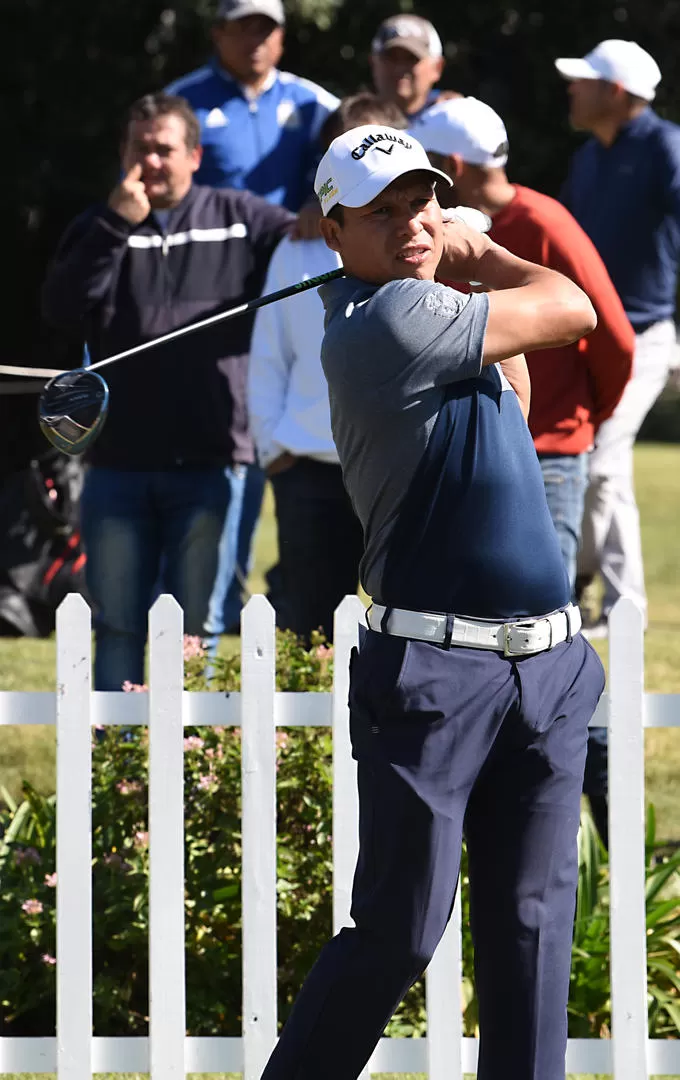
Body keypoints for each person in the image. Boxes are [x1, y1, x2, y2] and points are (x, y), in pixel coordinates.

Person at [258, 126, 605, 1080]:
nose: (413, 224)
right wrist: (479, 250)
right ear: (335, 231)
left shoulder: (432, 310)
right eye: (384, 212)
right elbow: (571, 307)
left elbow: (515, 401)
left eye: (423, 202)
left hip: (546, 666)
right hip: (437, 671)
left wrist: (463, 266)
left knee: (533, 934)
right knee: (400, 930)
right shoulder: (389, 320)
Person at [415, 95, 634, 849]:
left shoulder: (541, 222)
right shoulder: (442, 231)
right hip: (473, 455)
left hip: (546, 459)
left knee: (550, 641)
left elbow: (611, 333)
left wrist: (575, 427)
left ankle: (601, 831)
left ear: (452, 167)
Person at [41, 93, 293, 690]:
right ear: (122, 153)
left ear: (195, 156)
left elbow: (314, 242)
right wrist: (114, 226)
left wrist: (315, 212)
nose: (150, 161)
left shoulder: (241, 217)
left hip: (212, 461)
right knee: (117, 625)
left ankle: (190, 746)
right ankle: (116, 750)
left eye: (164, 149)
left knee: (198, 626)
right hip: (116, 464)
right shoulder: (100, 223)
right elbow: (59, 311)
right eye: (139, 148)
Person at [166, 0, 339, 637]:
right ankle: (214, 600)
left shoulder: (312, 102)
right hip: (212, 302)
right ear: (218, 33)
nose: (255, 40)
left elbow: (365, 144)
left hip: (297, 290)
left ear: (283, 37)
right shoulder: (184, 99)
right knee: (223, 449)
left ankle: (290, 600)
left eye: (266, 29)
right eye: (243, 27)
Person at [248, 93, 405, 642]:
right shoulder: (298, 247)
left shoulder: (428, 242)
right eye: (345, 152)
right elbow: (269, 354)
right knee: (312, 631)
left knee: (408, 624)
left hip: (401, 467)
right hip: (310, 469)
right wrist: (274, 449)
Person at [556, 39, 680, 635]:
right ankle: (620, 603)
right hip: (591, 337)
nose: (571, 89)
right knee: (608, 466)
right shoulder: (587, 158)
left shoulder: (665, 147)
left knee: (599, 459)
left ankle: (580, 583)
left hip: (647, 334)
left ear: (616, 91)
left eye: (583, 81)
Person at [370, 14, 456, 127]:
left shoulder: (454, 118)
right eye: (391, 58)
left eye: (412, 58)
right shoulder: (353, 123)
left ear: (437, 67)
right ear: (373, 64)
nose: (400, 68)